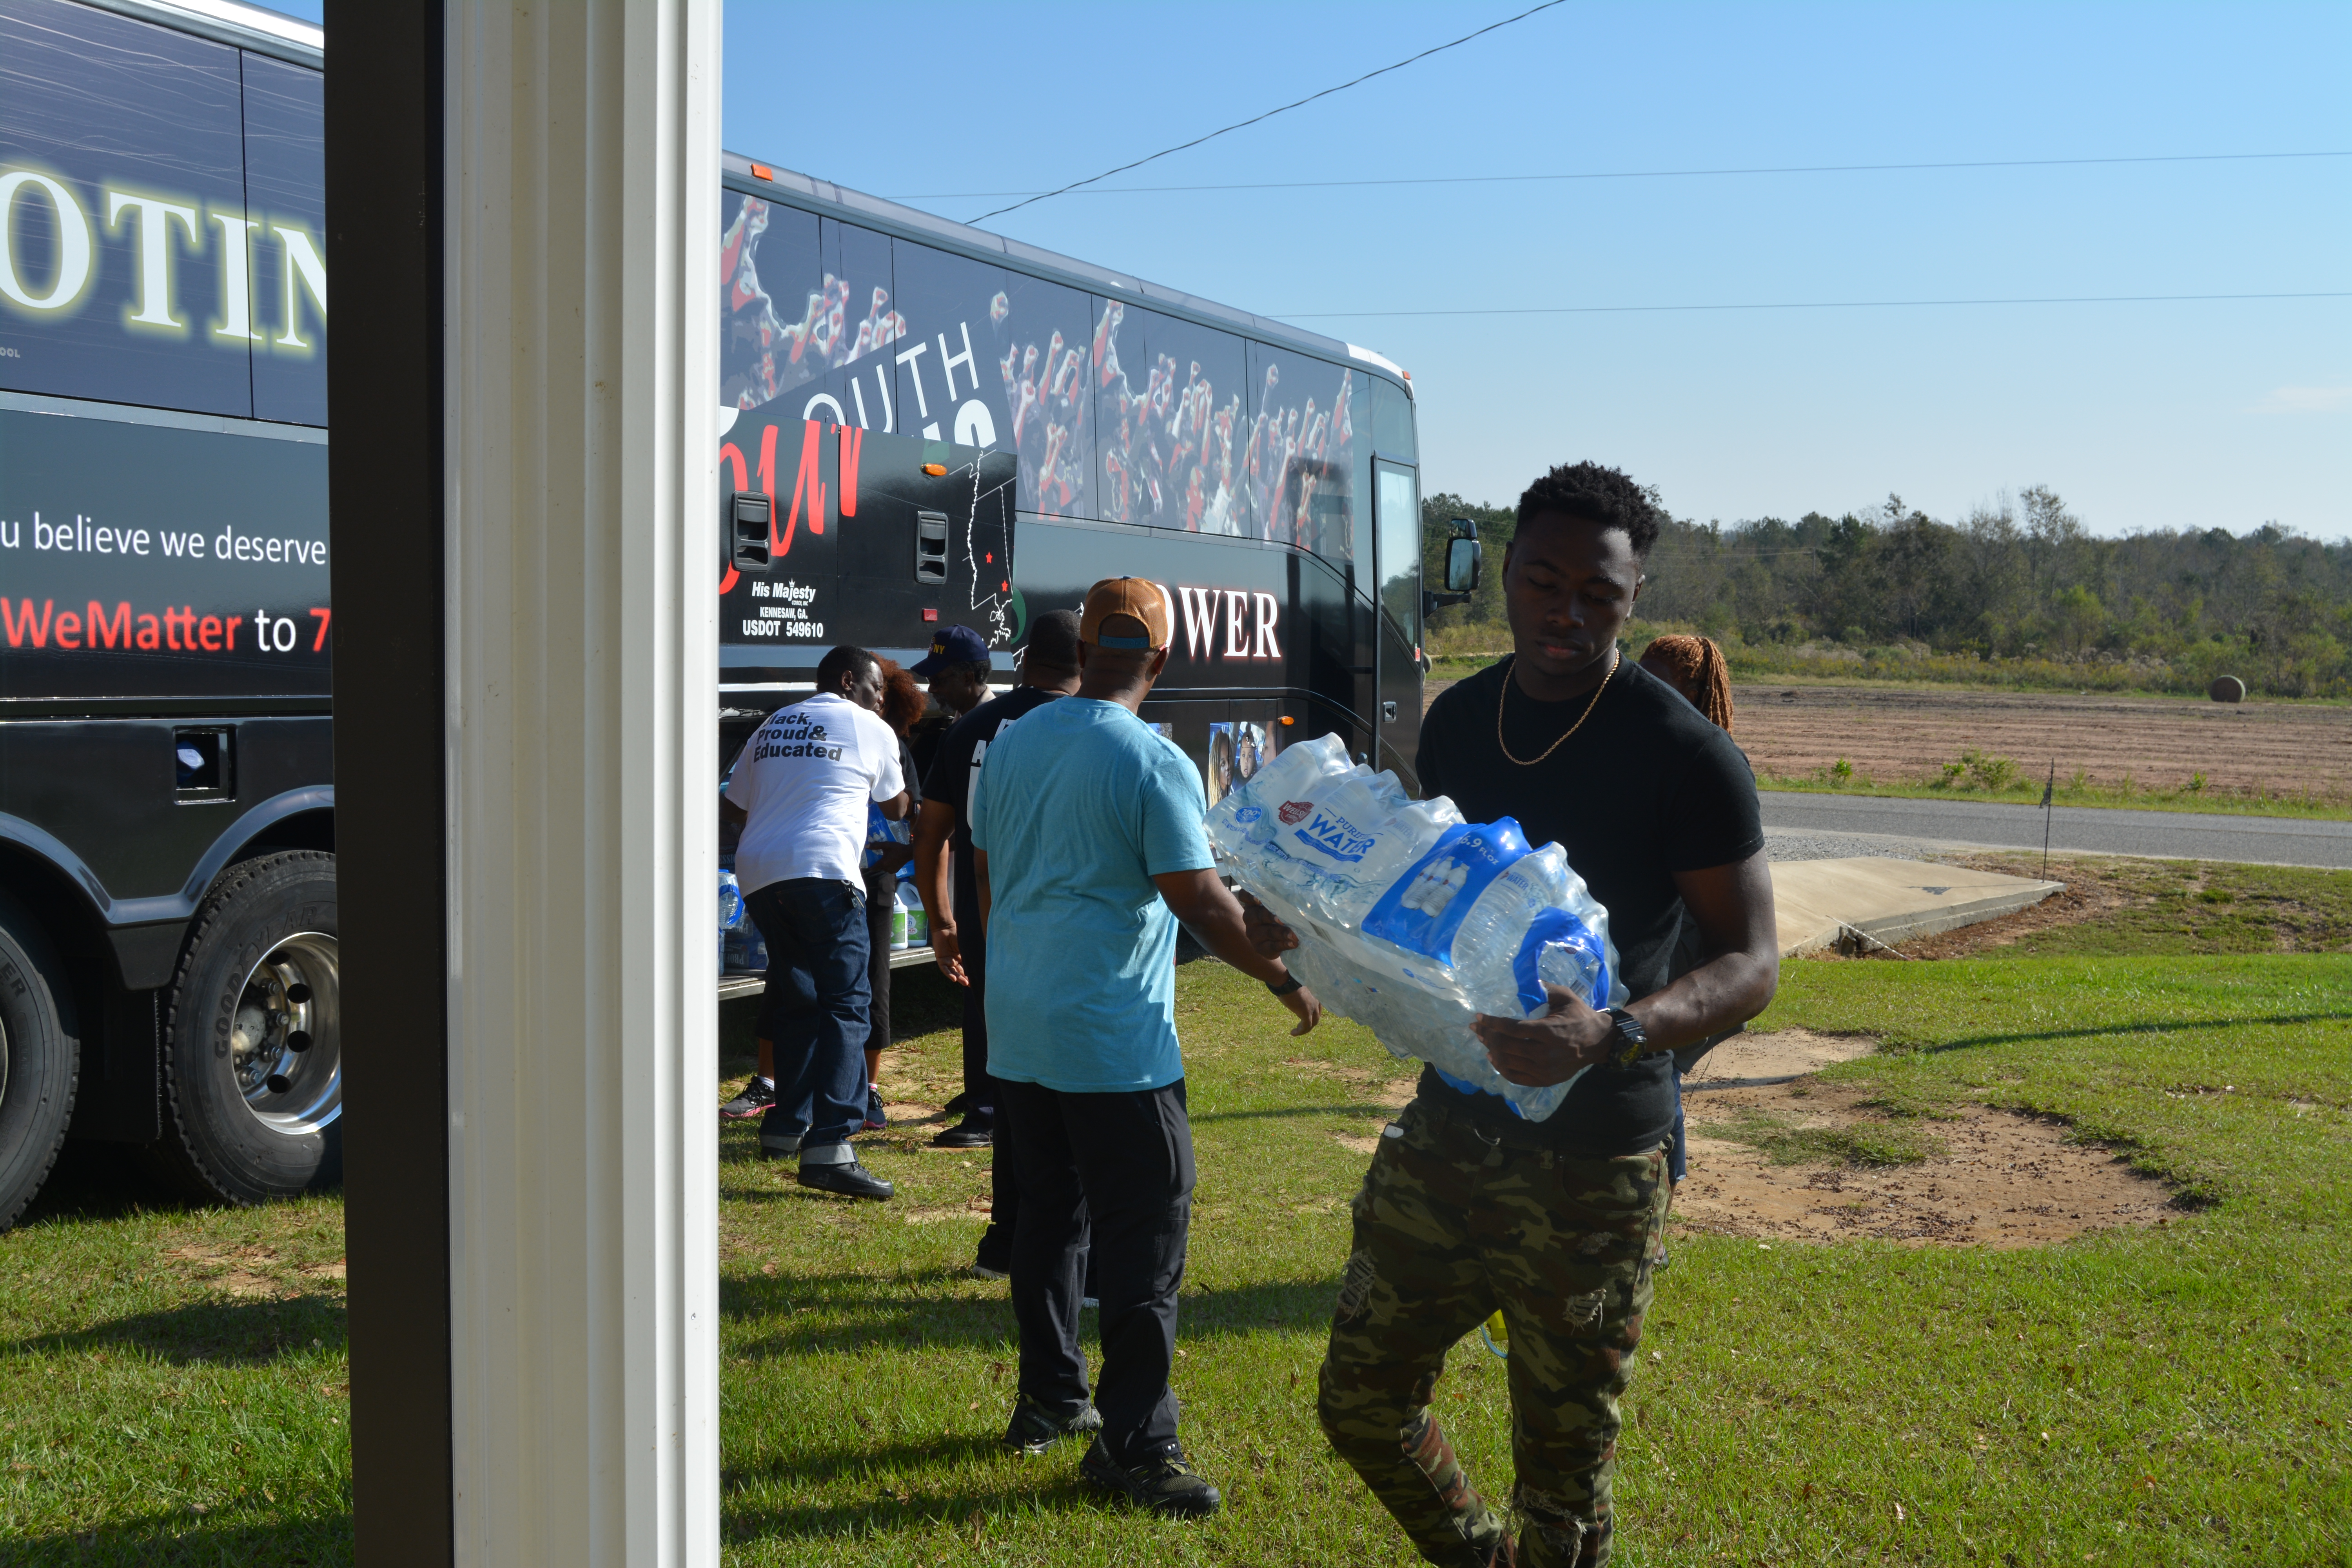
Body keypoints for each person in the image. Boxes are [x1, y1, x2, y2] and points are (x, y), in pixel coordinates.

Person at [1248, 464, 1779, 1567]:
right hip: (1454, 1124)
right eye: (1544, 581)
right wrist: (1305, 928)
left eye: (1601, 593)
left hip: (1596, 1160)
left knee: (1563, 1492)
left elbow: (1751, 962)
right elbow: (1419, 908)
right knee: (1359, 1401)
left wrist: (1613, 1031)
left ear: (1634, 598)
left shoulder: (1686, 755)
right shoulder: (1461, 722)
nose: (1567, 612)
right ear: (1506, 575)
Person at [971, 578, 1321, 1519]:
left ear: (1082, 648)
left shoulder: (1008, 743)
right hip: (1111, 1037)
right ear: (1163, 661)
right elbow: (1195, 898)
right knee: (1146, 1240)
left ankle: (1049, 1398)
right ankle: (1137, 1444)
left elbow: (994, 865)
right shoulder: (1153, 758)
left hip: (1023, 1024)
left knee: (1049, 1218)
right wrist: (1279, 975)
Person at [718, 644, 908, 1201]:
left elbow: (734, 802)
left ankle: (784, 1128)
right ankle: (832, 1146)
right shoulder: (867, 727)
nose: (881, 703)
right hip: (823, 870)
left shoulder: (776, 722)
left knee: (796, 994)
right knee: (848, 1004)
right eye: (877, 691)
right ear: (851, 682)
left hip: (760, 872)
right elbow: (895, 806)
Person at [1633, 633, 1743, 1200]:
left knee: (1660, 1067)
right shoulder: (1641, 749)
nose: (1642, 688)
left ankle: (1660, 1197)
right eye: (1639, 674)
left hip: (1687, 947)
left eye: (1661, 682)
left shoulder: (1709, 762)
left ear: (1696, 692)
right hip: (1653, 939)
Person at [853, 660, 927, 1133]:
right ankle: (779, 1083)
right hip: (832, 874)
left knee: (874, 979)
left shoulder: (889, 742)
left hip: (873, 878)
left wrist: (897, 855)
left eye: (882, 693)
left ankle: (870, 1089)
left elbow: (912, 812)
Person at [909, 622, 995, 784]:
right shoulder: (961, 724)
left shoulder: (998, 731)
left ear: (967, 678)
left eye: (937, 680)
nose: (931, 689)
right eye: (929, 680)